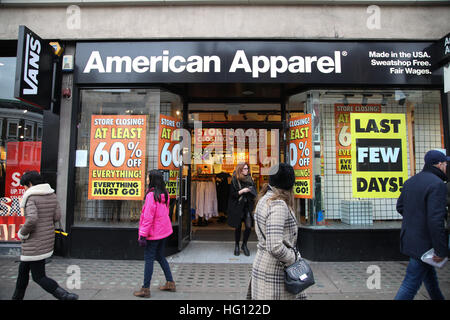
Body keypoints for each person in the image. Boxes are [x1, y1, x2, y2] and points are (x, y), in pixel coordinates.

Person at [12, 171, 78, 300]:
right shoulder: (51, 195)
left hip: (33, 243)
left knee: (39, 276)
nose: (24, 189)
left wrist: (22, 233)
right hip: (46, 240)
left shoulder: (31, 197)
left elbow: (31, 219)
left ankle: (65, 296)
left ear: (30, 184)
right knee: (23, 271)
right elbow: (57, 216)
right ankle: (16, 297)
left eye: (25, 186)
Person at [394, 150, 449, 300]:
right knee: (410, 284)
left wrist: (415, 218)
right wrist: (440, 250)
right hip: (425, 244)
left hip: (410, 238)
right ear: (438, 164)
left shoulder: (411, 181)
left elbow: (400, 207)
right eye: (445, 164)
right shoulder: (438, 185)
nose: (446, 167)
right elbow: (435, 220)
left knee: (430, 280)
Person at [250, 163, 306, 300]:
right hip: (276, 271)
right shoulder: (278, 204)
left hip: (262, 265)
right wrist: (294, 259)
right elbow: (275, 246)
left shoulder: (264, 199)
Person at [133, 170, 175, 298]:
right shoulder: (165, 193)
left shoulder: (151, 196)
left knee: (149, 259)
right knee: (160, 256)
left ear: (152, 179)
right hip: (164, 231)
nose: (146, 179)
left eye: (147, 177)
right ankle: (170, 282)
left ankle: (145, 289)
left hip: (154, 233)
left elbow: (148, 217)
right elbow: (165, 212)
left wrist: (143, 235)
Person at [227, 162, 256, 256]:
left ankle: (244, 244)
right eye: (244, 169)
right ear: (240, 170)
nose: (246, 170)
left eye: (247, 168)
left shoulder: (250, 179)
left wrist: (251, 191)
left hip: (247, 206)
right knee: (238, 227)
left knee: (248, 226)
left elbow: (254, 192)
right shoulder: (235, 180)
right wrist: (242, 191)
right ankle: (236, 245)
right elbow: (232, 195)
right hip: (238, 206)